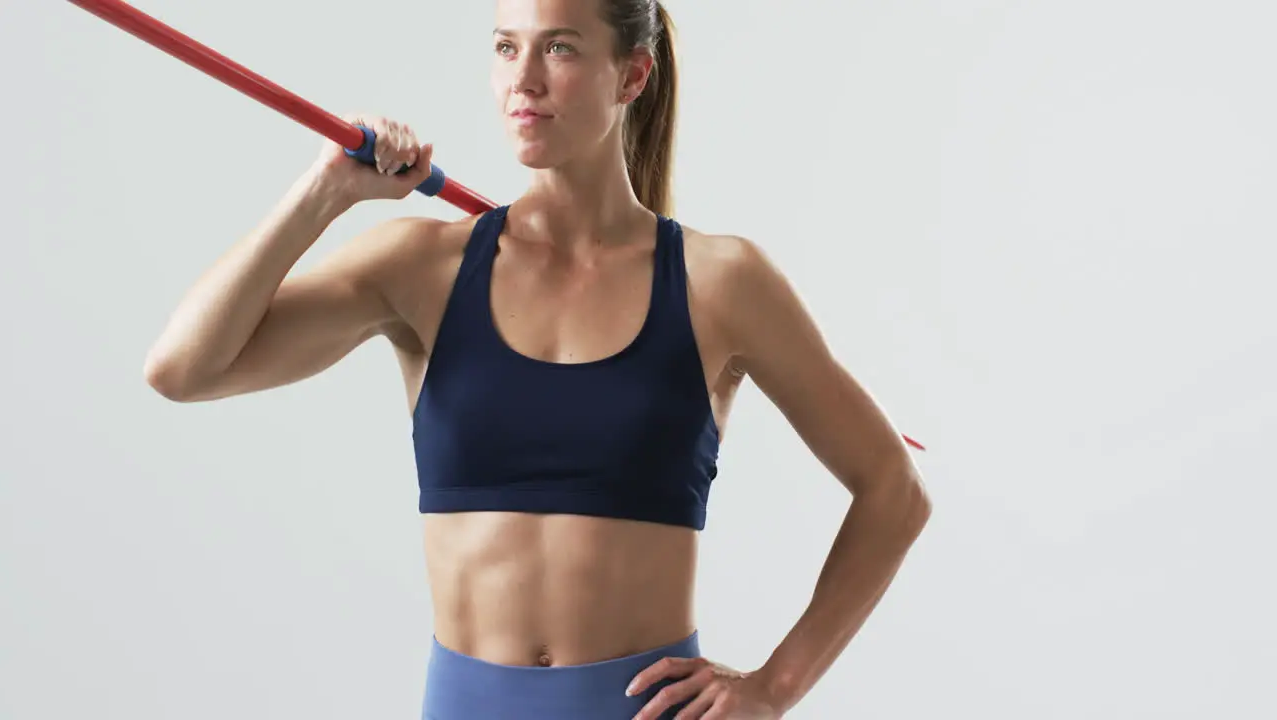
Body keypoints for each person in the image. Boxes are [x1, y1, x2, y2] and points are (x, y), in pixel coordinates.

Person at [141, 0, 932, 717]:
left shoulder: (720, 282)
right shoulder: (421, 270)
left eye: (557, 49)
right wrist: (323, 193)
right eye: (503, 47)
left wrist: (772, 689)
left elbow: (894, 491)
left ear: (632, 74)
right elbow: (183, 368)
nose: (522, 80)